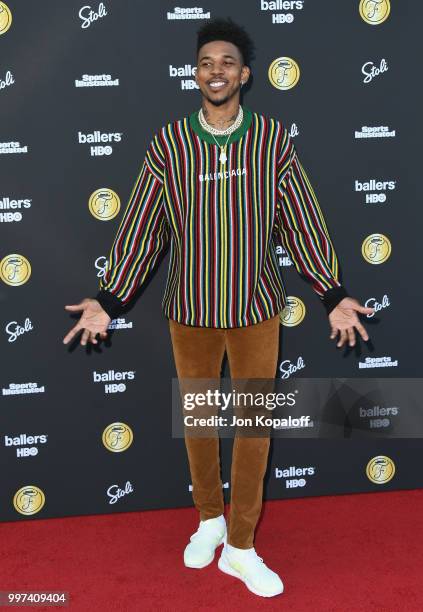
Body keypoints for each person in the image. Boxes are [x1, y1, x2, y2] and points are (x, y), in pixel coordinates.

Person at [63, 17, 374, 598]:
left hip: (256, 310)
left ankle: (242, 547)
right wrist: (109, 298)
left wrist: (330, 292)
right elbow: (142, 228)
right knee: (201, 423)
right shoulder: (170, 144)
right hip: (191, 311)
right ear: (195, 73)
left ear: (245, 74)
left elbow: (302, 219)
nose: (216, 71)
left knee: (254, 431)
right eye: (206, 62)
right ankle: (209, 520)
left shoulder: (272, 141)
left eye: (227, 62)